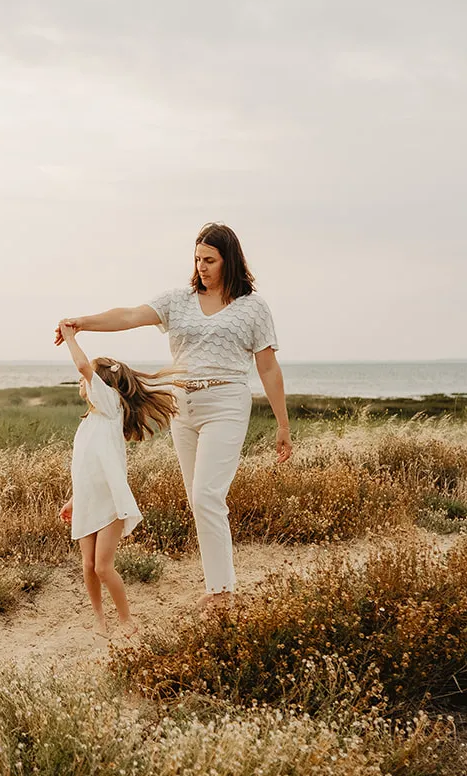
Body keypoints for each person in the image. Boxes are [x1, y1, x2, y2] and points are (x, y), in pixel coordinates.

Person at [55, 222, 291, 611]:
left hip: (227, 402)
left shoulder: (253, 307)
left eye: (210, 260)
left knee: (207, 494)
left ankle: (221, 591)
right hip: (185, 407)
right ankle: (221, 582)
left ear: (229, 260)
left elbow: (267, 368)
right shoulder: (177, 300)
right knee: (198, 499)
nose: (202, 266)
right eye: (198, 259)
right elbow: (130, 315)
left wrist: (282, 425)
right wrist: (83, 322)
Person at [55, 322, 181, 638]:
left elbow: (83, 365)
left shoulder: (110, 406)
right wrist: (73, 498)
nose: (83, 382)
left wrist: (70, 337)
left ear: (104, 383)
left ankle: (126, 620)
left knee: (102, 566)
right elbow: (85, 466)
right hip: (87, 500)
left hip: (110, 502)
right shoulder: (89, 421)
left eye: (90, 379)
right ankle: (100, 619)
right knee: (87, 565)